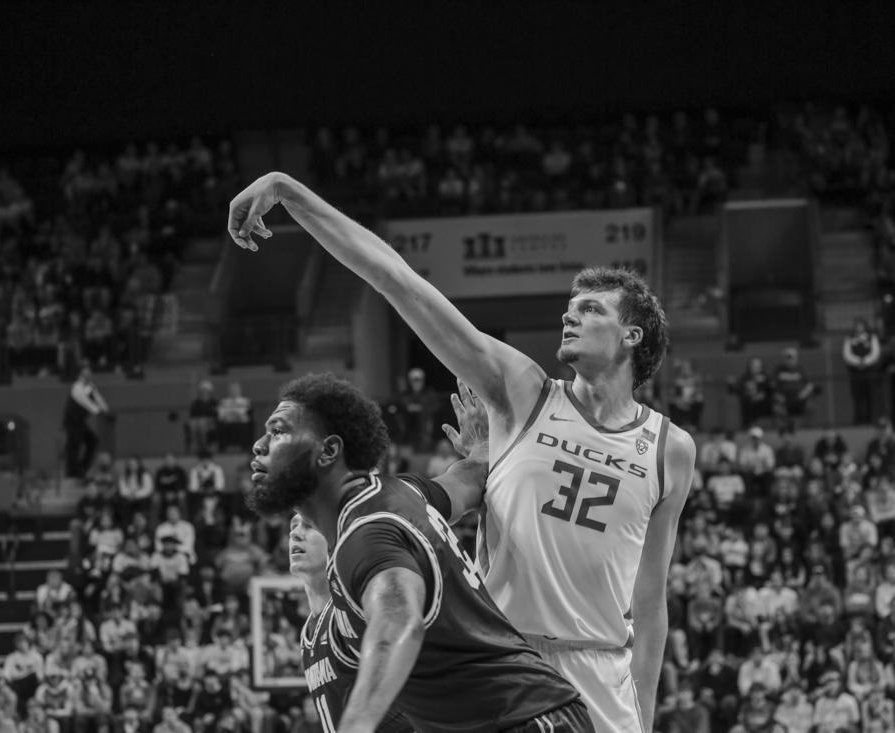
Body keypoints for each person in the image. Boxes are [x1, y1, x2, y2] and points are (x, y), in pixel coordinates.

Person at [231, 174, 695, 733]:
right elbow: (398, 282)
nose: (569, 315)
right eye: (570, 306)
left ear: (633, 336)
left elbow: (649, 603)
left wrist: (642, 714)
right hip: (500, 664)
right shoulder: (523, 391)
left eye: (591, 309)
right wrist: (291, 194)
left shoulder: (671, 448)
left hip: (603, 669)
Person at [246, 372, 592, 731]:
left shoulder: (365, 533)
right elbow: (470, 480)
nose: (259, 444)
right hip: (531, 713)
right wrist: (483, 447)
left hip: (521, 720)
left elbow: (398, 622)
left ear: (329, 451)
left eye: (278, 430)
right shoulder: (402, 493)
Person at [64, 362, 111, 479]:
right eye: (86, 372)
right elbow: (86, 402)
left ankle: (83, 468)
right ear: (80, 374)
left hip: (80, 421)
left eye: (89, 372)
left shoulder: (90, 386)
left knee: (92, 441)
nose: (88, 374)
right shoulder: (76, 387)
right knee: (74, 444)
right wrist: (98, 411)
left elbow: (98, 398)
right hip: (71, 420)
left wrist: (106, 409)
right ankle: (72, 471)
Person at [842, 318, 882, 425]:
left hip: (869, 371)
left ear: (865, 326)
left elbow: (875, 353)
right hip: (855, 372)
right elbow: (847, 355)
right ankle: (858, 420)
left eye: (861, 325)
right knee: (857, 396)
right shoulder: (849, 338)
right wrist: (858, 362)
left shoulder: (872, 337)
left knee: (870, 395)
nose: (858, 328)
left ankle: (870, 420)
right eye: (857, 325)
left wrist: (865, 361)